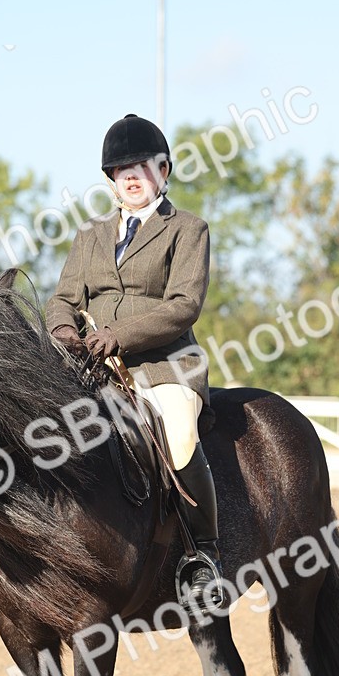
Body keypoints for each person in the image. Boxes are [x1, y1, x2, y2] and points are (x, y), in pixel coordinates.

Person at [45, 112, 226, 609]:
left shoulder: (188, 229)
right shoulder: (90, 235)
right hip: (91, 366)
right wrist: (63, 329)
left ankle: (202, 557)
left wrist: (117, 335)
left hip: (165, 366)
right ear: (111, 180)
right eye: (122, 170)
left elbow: (184, 305)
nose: (132, 177)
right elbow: (63, 297)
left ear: (163, 171)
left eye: (142, 167)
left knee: (181, 439)